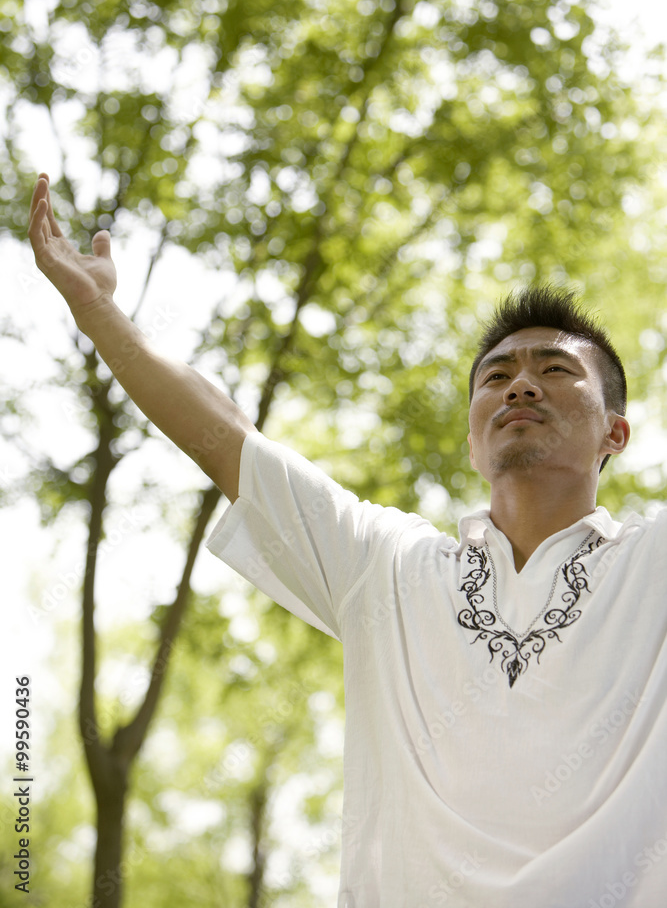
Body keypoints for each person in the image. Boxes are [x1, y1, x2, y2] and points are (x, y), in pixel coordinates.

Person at [28, 172, 667, 907]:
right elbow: (228, 441)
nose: (519, 385)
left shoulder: (651, 567)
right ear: (470, 441)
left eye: (555, 370)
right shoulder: (386, 566)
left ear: (613, 432)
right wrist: (100, 312)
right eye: (496, 376)